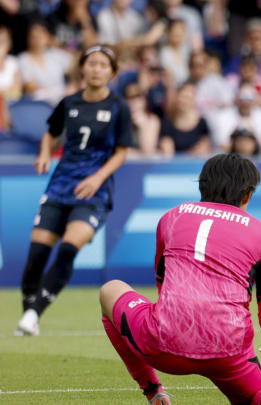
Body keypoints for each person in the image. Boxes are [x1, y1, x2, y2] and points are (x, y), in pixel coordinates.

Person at [98, 154, 261, 405]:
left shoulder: (172, 217)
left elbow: (163, 285)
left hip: (163, 344)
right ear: (248, 195)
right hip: (228, 352)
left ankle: (153, 390)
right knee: (256, 395)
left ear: (202, 185)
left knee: (110, 289)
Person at [15, 45, 132, 336]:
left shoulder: (119, 107)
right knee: (37, 255)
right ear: (83, 68)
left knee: (68, 249)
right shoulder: (68, 103)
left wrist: (97, 178)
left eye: (103, 65)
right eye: (92, 63)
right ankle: (29, 310)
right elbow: (51, 133)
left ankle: (33, 314)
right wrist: (44, 153)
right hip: (60, 185)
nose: (96, 69)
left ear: (112, 72)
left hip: (93, 191)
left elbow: (121, 152)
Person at [159, 81, 211, 156]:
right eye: (182, 97)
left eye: (188, 98)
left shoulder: (202, 123)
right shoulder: (167, 122)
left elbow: (204, 148)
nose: (184, 101)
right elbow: (166, 150)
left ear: (194, 100)